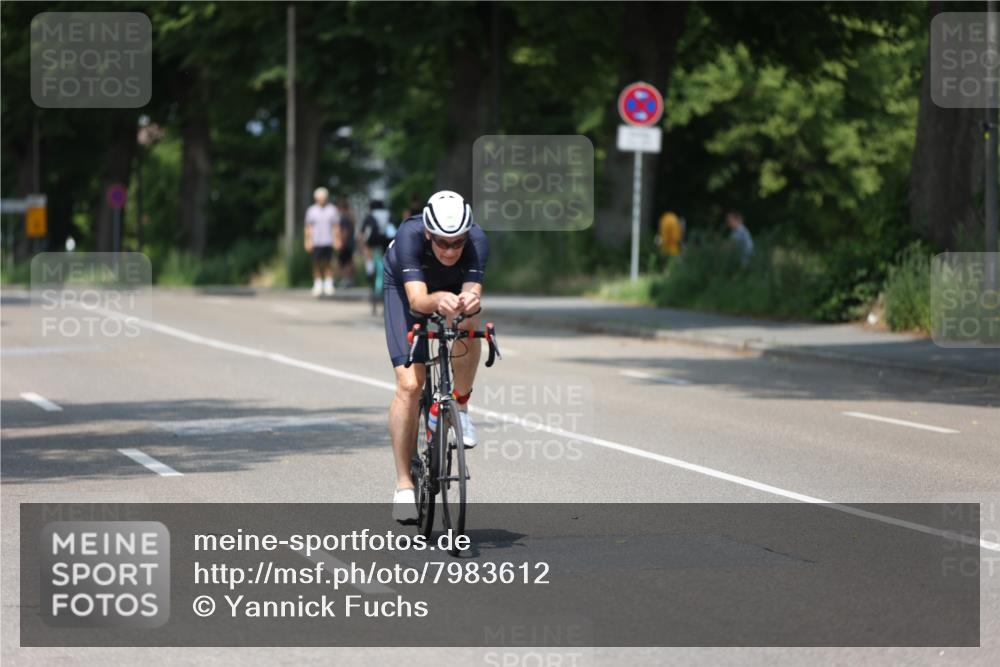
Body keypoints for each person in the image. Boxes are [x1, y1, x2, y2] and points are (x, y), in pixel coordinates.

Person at [382, 190, 488, 523]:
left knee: (469, 322)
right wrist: (440, 298)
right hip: (405, 290)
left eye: (458, 243)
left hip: (448, 288)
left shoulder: (477, 241)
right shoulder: (409, 235)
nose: (450, 250)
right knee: (411, 385)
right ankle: (403, 484)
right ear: (429, 233)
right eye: (442, 242)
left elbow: (472, 293)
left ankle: (461, 407)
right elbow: (418, 301)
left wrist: (469, 302)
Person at [304, 187, 340, 296]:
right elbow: (308, 227)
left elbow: (336, 226)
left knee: (329, 263)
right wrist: (307, 241)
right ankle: (318, 283)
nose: (322, 200)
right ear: (316, 199)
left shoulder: (332, 209)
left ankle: (328, 283)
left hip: (328, 241)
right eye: (320, 198)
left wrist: (337, 240)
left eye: (323, 198)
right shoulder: (311, 210)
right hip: (316, 241)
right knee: (316, 263)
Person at [358, 199, 395, 282]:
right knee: (385, 258)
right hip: (386, 240)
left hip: (373, 240)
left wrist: (361, 243)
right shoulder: (388, 214)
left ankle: (370, 271)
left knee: (369, 256)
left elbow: (363, 231)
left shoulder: (370, 215)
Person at [335, 197, 356, 288]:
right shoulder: (350, 217)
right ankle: (350, 279)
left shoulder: (344, 218)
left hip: (345, 243)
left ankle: (345, 279)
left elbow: (344, 231)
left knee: (343, 262)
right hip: (351, 243)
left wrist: (342, 242)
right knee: (349, 261)